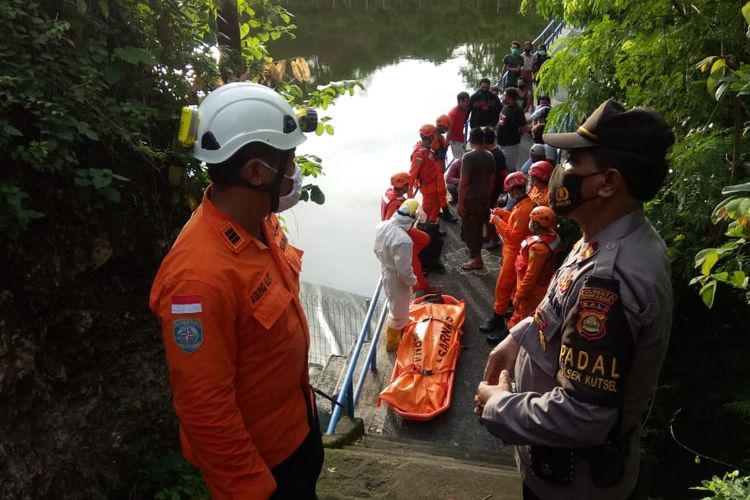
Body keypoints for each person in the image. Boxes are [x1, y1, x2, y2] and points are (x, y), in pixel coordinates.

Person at [475, 98, 675, 499]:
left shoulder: (609, 280)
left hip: (569, 483)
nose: (560, 171)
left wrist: (498, 406)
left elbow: (584, 416)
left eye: (573, 162)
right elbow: (561, 306)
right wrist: (520, 336)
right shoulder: (608, 236)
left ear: (607, 182)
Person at [149, 82, 323, 499]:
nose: (294, 170)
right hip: (263, 467)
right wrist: (250, 491)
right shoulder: (198, 281)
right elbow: (204, 411)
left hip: (297, 429)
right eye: (290, 158)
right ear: (257, 172)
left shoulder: (259, 220)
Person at [480, 171, 535, 344]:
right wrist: (503, 215)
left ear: (516, 191)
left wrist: (497, 221)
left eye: (510, 192)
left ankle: (500, 319)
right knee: (508, 288)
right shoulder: (524, 204)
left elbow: (513, 235)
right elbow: (516, 222)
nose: (509, 195)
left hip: (515, 253)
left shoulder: (526, 207)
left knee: (503, 286)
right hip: (513, 251)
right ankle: (501, 316)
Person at [381, 173, 442, 296]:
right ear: (403, 186)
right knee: (415, 263)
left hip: (402, 230)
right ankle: (425, 288)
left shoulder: (390, 193)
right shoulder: (395, 203)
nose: (409, 187)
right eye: (407, 185)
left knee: (425, 239)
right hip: (399, 234)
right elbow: (392, 224)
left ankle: (409, 260)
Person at [374, 199, 420, 352]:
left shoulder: (383, 226)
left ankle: (398, 333)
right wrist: (413, 281)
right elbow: (404, 270)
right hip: (396, 277)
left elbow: (376, 249)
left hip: (387, 270)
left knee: (395, 304)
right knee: (398, 311)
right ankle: (393, 344)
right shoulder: (403, 240)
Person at [506, 206, 560, 331]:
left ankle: (512, 338)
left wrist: (519, 296)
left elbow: (531, 276)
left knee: (523, 317)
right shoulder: (553, 236)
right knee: (520, 312)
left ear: (535, 225)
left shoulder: (538, 249)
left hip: (532, 290)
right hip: (542, 282)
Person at [457, 127, 496, 270]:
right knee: (476, 226)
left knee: (472, 230)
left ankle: (477, 259)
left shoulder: (468, 157)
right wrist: (487, 196)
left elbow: (464, 182)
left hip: (471, 200)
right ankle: (474, 253)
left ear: (471, 140)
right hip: (482, 198)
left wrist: (460, 203)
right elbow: (492, 179)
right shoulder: (489, 155)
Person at [409, 124, 449, 223]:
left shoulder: (428, 148)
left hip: (434, 184)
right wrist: (410, 194)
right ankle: (425, 231)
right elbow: (412, 174)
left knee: (435, 208)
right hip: (428, 187)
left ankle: (432, 229)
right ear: (431, 137)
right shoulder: (419, 155)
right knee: (427, 211)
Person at [483, 127, 508, 251]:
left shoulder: (493, 155)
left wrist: (487, 194)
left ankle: (494, 238)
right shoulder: (497, 152)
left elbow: (493, 177)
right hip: (494, 188)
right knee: (487, 214)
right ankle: (489, 235)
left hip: (492, 189)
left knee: (488, 213)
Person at [434, 114, 459, 222]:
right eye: (444, 128)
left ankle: (438, 211)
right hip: (435, 170)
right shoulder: (434, 138)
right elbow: (434, 154)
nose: (445, 130)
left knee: (438, 192)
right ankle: (445, 212)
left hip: (438, 168)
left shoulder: (438, 137)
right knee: (441, 191)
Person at [496, 88, 528, 172]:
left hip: (511, 145)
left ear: (509, 98)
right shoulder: (505, 107)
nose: (503, 97)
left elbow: (524, 127)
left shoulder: (517, 111)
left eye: (505, 95)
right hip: (501, 143)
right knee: (501, 165)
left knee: (509, 167)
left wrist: (517, 136)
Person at [447, 92, 470, 161]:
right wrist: (446, 144)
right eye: (463, 101)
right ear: (458, 102)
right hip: (454, 140)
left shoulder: (465, 109)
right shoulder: (453, 114)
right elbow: (449, 130)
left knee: (466, 157)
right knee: (461, 160)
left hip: (461, 137)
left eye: (467, 101)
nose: (465, 104)